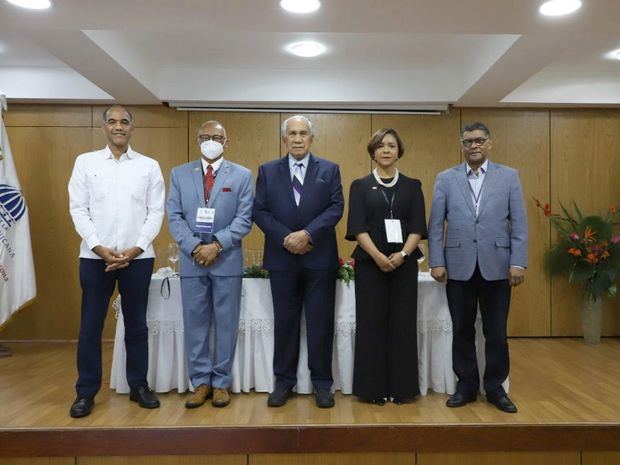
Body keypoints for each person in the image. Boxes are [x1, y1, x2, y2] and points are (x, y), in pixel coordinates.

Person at [68, 105, 165, 418]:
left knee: (136, 325)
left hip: (138, 258)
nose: (118, 126)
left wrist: (135, 249)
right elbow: (78, 209)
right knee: (91, 327)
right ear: (104, 127)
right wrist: (99, 247)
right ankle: (86, 392)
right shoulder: (86, 163)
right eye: (112, 121)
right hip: (95, 258)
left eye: (124, 121)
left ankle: (138, 386)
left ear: (132, 128)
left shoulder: (149, 166)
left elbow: (156, 212)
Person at [428, 122, 527, 414]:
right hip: (457, 266)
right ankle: (467, 385)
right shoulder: (445, 178)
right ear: (462, 145)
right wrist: (436, 261)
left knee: (496, 331)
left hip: (497, 266)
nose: (474, 146)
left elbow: (519, 223)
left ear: (489, 143)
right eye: (468, 141)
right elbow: (435, 225)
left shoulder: (509, 177)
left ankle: (496, 388)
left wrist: (517, 261)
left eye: (479, 140)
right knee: (462, 329)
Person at [253, 115, 344, 408]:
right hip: (282, 259)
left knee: (320, 323)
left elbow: (336, 208)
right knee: (286, 323)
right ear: (284, 139)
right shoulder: (267, 171)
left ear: (311, 138)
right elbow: (260, 211)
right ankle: (284, 382)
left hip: (319, 258)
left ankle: (322, 384)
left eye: (303, 133)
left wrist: (307, 234)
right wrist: (287, 238)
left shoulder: (329, 169)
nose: (297, 138)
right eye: (291, 133)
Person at [167, 120, 253, 408]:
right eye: (205, 136)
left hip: (226, 259)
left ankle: (221, 383)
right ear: (197, 140)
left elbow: (244, 218)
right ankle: (200, 381)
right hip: (192, 262)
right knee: (195, 323)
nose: (211, 141)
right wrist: (194, 247)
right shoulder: (179, 174)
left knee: (227, 323)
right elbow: (174, 217)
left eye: (217, 137)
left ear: (226, 142)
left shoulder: (242, 176)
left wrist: (216, 245)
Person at [345, 128, 426, 405]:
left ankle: (403, 390)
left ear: (398, 151)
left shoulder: (413, 186)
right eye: (380, 146)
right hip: (370, 265)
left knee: (403, 325)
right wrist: (378, 255)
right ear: (373, 152)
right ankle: (372, 390)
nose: (386, 150)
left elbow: (418, 227)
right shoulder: (360, 185)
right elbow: (357, 227)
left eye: (392, 145)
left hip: (404, 265)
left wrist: (402, 254)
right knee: (371, 326)